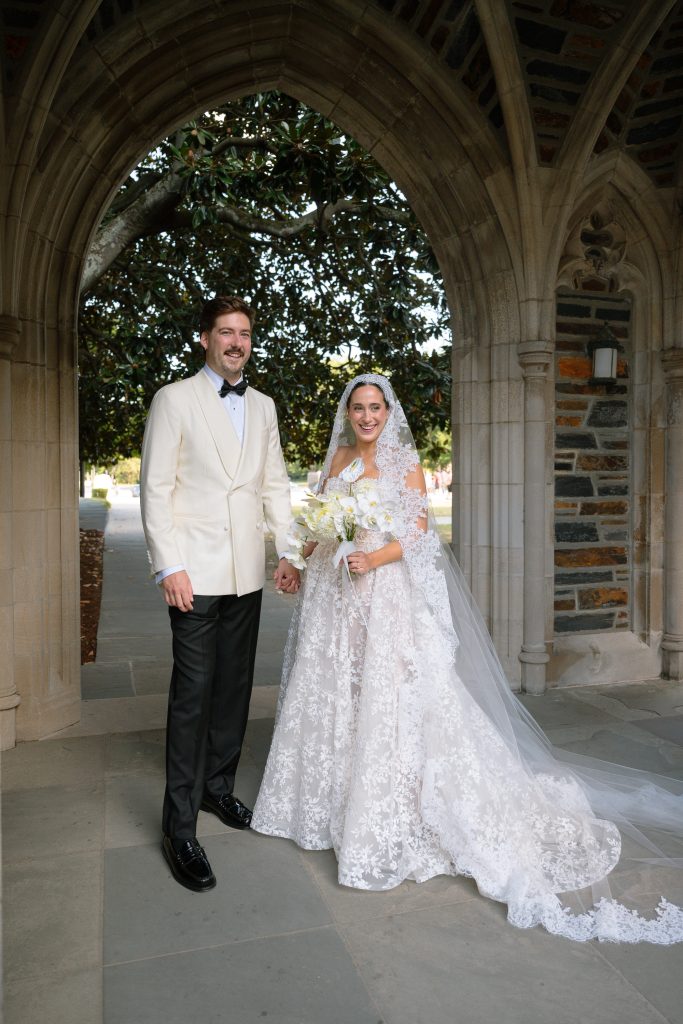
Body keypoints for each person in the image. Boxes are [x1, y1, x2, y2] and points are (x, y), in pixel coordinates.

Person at [252, 372, 683, 943]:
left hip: (384, 597)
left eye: (374, 407)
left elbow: (420, 534)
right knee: (343, 692)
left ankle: (394, 806)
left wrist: (374, 559)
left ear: (388, 411)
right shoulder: (335, 461)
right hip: (337, 602)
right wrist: (297, 559)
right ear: (347, 413)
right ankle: (334, 801)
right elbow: (320, 527)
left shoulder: (404, 463)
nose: (366, 417)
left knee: (392, 697)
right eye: (357, 407)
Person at [140, 295, 299, 892]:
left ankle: (218, 790)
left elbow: (275, 485)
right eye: (226, 332)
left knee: (234, 690)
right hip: (194, 575)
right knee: (192, 696)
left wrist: (286, 550)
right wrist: (169, 566)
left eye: (245, 333)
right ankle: (179, 827)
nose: (236, 342)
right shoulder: (173, 400)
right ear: (204, 338)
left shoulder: (263, 407)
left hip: (245, 574)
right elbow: (155, 489)